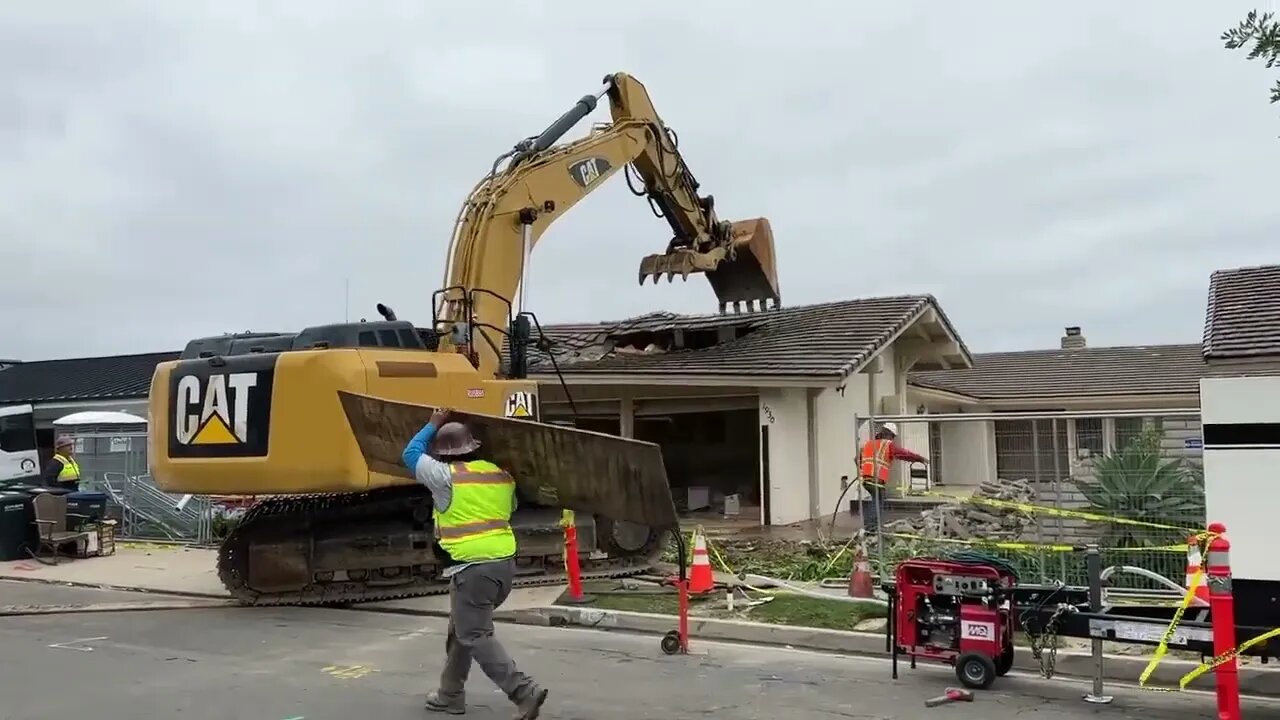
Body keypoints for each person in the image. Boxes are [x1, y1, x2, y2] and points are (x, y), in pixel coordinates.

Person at [401, 407, 548, 720]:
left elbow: (410, 453)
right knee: (463, 629)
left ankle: (524, 691)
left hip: (474, 570)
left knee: (475, 634)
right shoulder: (501, 477)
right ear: (473, 447)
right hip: (504, 568)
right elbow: (510, 509)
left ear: (443, 454)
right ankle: (449, 694)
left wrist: (432, 424)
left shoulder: (444, 477)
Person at [857, 422, 927, 536]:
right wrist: (919, 458)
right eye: (893, 437)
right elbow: (903, 454)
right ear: (889, 434)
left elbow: (857, 459)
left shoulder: (868, 444)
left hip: (866, 479)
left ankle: (873, 525)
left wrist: (863, 470)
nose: (893, 439)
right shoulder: (887, 444)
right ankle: (871, 527)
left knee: (876, 500)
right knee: (877, 501)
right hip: (876, 479)